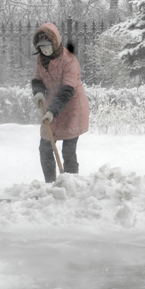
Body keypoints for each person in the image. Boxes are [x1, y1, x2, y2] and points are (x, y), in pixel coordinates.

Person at [31, 23, 90, 183]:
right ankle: (50, 185)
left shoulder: (69, 59)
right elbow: (37, 80)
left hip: (72, 108)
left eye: (47, 46)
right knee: (45, 148)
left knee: (68, 151)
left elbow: (67, 90)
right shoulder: (41, 59)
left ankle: (70, 186)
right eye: (41, 47)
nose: (44, 50)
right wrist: (38, 92)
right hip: (52, 106)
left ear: (55, 42)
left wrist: (52, 111)